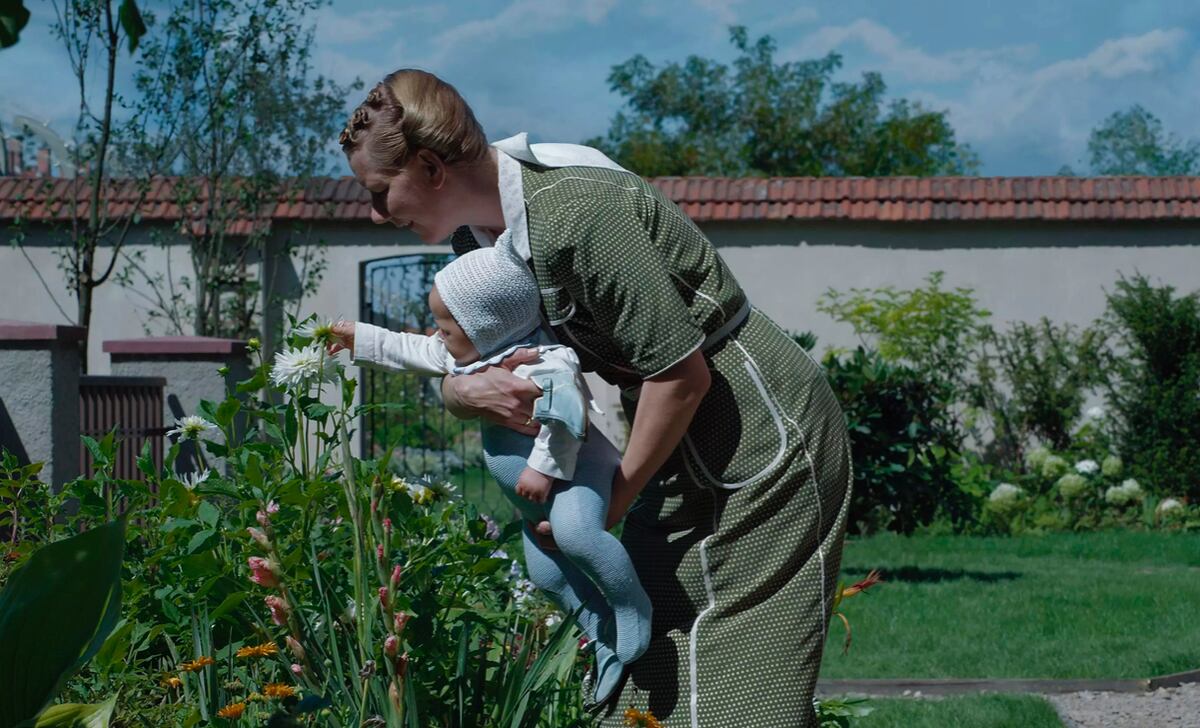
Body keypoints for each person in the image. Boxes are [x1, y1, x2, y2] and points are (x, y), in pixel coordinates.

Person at [339, 68, 852, 727]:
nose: (378, 214)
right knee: (645, 668)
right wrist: (462, 394)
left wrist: (612, 502)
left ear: (432, 166)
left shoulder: (576, 213)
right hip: (668, 437)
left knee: (740, 692)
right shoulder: (478, 240)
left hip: (756, 430)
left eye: (381, 193)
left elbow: (681, 376)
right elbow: (470, 362)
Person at [327, 240, 651, 703]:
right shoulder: (471, 355)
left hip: (576, 473)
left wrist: (541, 470)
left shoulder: (547, 360)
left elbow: (567, 416)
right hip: (533, 501)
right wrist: (357, 337)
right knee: (547, 575)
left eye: (445, 327)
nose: (437, 335)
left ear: (484, 325)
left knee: (578, 535)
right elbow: (411, 348)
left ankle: (631, 607)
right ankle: (601, 633)